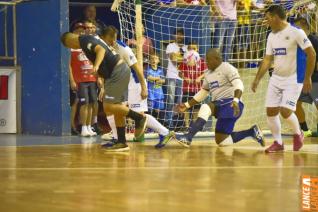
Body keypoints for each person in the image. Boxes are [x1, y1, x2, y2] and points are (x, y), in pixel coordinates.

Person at [60, 31, 148, 151]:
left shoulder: (84, 40)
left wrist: (95, 66)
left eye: (70, 46)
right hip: (118, 72)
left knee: (108, 107)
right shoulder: (87, 40)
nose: (73, 48)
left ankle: (139, 118)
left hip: (116, 73)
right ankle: (121, 142)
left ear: (69, 41)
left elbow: (100, 50)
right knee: (116, 108)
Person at [251, 5, 316, 153]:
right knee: (271, 111)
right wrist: (257, 79)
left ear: (275, 17)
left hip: (294, 78)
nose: (266, 21)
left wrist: (307, 78)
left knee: (285, 111)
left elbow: (311, 54)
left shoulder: (296, 32)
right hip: (276, 78)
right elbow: (267, 60)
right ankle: (278, 143)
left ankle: (298, 133)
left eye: (267, 18)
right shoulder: (271, 36)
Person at [100, 26, 175, 148]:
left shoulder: (123, 48)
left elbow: (137, 68)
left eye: (114, 38)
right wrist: (104, 86)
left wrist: (144, 87)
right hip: (119, 85)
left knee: (138, 114)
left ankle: (165, 132)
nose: (112, 41)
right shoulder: (102, 48)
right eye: (110, 39)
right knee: (111, 109)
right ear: (103, 38)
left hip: (134, 84)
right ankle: (116, 138)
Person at [173, 48, 264, 148]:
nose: (206, 62)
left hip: (232, 104)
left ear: (217, 59)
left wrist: (236, 100)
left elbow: (239, 84)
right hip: (222, 106)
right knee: (222, 141)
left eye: (208, 59)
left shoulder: (227, 68)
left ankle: (188, 137)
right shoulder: (207, 73)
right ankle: (251, 132)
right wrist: (186, 105)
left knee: (205, 107)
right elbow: (203, 92)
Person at [69, 23, 98, 137]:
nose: (81, 32)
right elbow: (69, 65)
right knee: (83, 103)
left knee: (91, 103)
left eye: (83, 30)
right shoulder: (70, 46)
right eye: (78, 30)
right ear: (74, 31)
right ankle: (83, 127)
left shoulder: (87, 44)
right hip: (79, 80)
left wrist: (98, 76)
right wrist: (72, 80)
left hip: (91, 78)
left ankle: (88, 126)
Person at [294, 16, 318, 137]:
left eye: (297, 28)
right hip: (301, 79)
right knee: (295, 104)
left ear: (304, 26)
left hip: (315, 79)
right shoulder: (296, 41)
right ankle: (305, 129)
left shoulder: (314, 40)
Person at [179, 41, 206, 128]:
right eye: (190, 48)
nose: (192, 50)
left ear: (197, 49)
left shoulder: (201, 61)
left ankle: (194, 125)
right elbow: (180, 73)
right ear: (187, 49)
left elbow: (205, 72)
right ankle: (186, 125)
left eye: (194, 48)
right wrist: (185, 78)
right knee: (186, 107)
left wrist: (200, 78)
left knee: (196, 108)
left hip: (198, 89)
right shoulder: (184, 60)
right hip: (187, 88)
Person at [165, 28, 187, 128]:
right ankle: (169, 124)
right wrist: (183, 59)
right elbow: (173, 59)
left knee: (180, 102)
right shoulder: (170, 46)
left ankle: (178, 124)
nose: (179, 36)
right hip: (171, 76)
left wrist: (178, 57)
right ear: (174, 36)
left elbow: (189, 62)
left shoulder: (187, 47)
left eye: (181, 34)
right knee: (170, 100)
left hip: (182, 78)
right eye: (177, 34)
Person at [146, 54, 165, 121]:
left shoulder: (160, 70)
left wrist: (156, 80)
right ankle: (149, 127)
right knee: (150, 110)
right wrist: (158, 78)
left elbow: (163, 80)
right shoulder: (148, 69)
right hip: (150, 94)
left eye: (156, 58)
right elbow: (149, 77)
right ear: (149, 60)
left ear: (158, 60)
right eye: (152, 58)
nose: (154, 60)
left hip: (159, 94)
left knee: (158, 111)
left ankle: (157, 126)